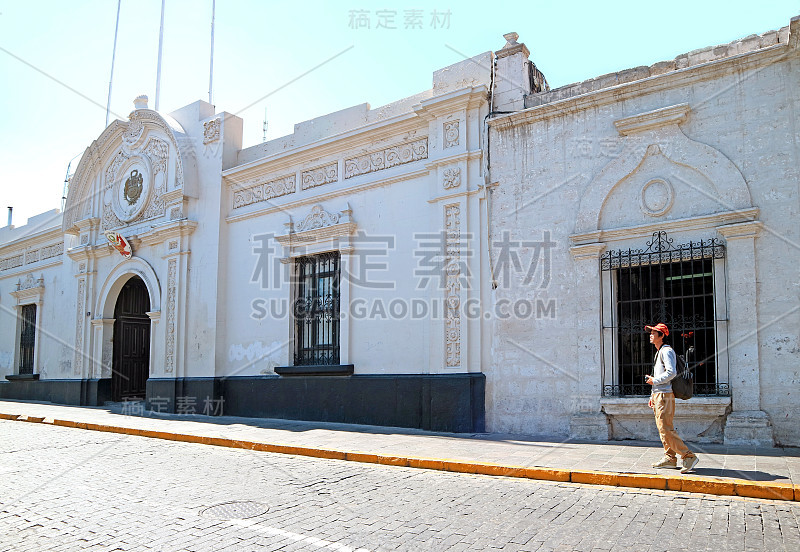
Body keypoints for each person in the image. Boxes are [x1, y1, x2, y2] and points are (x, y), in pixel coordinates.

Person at [644, 323, 699, 474]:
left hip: (664, 395)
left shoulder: (667, 351)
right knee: (663, 429)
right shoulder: (659, 352)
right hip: (658, 395)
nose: (650, 335)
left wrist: (654, 381)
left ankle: (688, 456)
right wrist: (652, 394)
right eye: (651, 333)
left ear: (661, 336)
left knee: (666, 429)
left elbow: (671, 372)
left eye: (653, 333)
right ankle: (670, 458)